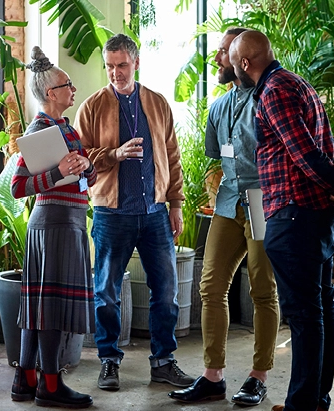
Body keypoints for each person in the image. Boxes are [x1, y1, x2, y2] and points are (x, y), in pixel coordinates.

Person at [229, 30, 334, 411]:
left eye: (232, 58)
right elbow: (331, 148)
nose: (229, 64)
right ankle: (315, 399)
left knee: (304, 315)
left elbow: (305, 153)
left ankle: (302, 404)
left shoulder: (274, 91)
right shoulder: (299, 83)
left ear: (245, 63)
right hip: (315, 213)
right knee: (321, 308)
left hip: (295, 214)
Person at [74, 33, 195, 392]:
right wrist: (114, 154)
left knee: (167, 292)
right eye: (109, 67)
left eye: (121, 65)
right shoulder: (92, 107)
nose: (115, 73)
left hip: (156, 213)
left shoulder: (157, 103)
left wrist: (175, 204)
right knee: (106, 292)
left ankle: (163, 362)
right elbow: (81, 159)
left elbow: (172, 156)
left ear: (136, 63)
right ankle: (109, 361)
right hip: (112, 214)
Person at [169, 28, 280, 406]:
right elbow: (218, 155)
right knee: (210, 286)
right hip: (227, 201)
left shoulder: (268, 99)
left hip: (262, 199)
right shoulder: (218, 107)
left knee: (262, 290)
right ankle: (212, 376)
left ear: (239, 59)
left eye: (221, 53)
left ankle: (258, 375)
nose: (216, 60)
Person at [9, 46, 96, 409]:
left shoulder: (66, 128)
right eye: (68, 84)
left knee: (42, 305)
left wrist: (85, 167)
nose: (73, 89)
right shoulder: (40, 129)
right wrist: (60, 171)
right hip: (54, 224)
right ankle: (50, 384)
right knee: (50, 308)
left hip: (69, 222)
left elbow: (84, 175)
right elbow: (18, 187)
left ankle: (25, 379)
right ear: (51, 93)